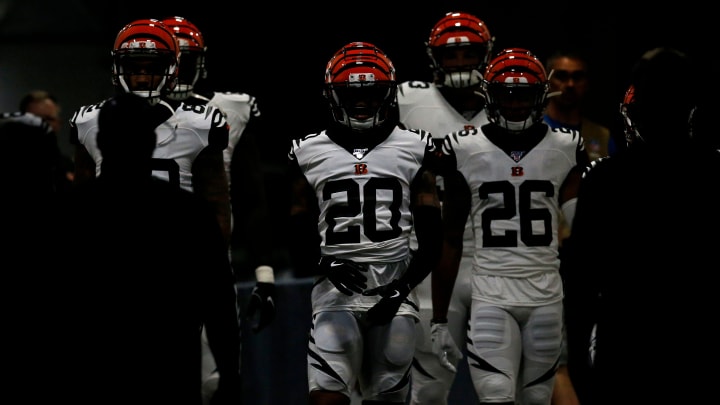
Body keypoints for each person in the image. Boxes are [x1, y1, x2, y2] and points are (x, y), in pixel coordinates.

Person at [56, 92, 242, 405]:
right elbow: (219, 302)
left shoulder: (69, 211)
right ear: (151, 142)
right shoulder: (189, 212)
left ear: (100, 141)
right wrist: (230, 374)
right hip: (167, 372)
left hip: (92, 372)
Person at [430, 47, 590, 405]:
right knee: (496, 397)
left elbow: (584, 234)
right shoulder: (464, 148)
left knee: (536, 399)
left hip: (546, 295)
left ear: (542, 96)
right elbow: (451, 238)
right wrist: (439, 318)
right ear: (490, 95)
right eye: (507, 94)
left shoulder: (568, 146)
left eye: (525, 95)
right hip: (490, 295)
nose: (516, 104)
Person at [288, 41, 443, 405]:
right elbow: (294, 229)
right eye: (351, 93)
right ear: (333, 95)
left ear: (387, 94)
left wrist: (402, 287)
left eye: (372, 93)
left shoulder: (415, 147)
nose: (362, 102)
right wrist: (323, 262)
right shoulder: (307, 151)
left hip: (394, 294)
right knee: (326, 395)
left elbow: (432, 236)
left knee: (387, 393)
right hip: (333, 294)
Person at [562, 47, 719, 404]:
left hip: (628, 349)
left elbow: (581, 282)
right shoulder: (713, 172)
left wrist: (577, 363)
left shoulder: (605, 179)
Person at [160, 15, 276, 404]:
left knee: (215, 384)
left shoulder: (230, 111)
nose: (176, 71)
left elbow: (251, 197)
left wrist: (264, 270)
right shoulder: (115, 116)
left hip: (209, 264)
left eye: (184, 60)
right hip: (141, 263)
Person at [395, 10, 494, 405]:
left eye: (468, 52)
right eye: (450, 54)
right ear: (433, 57)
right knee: (430, 385)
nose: (459, 62)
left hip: (497, 256)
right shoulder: (407, 99)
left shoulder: (510, 99)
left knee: (507, 385)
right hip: (433, 255)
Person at [69, 18, 232, 248]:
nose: (143, 78)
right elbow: (80, 208)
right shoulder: (88, 121)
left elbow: (216, 207)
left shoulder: (200, 123)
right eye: (134, 68)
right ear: (118, 69)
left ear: (172, 69)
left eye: (153, 68)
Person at [543, 50, 615, 162]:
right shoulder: (531, 130)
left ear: (587, 83)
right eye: (561, 76)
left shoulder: (601, 136)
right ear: (547, 82)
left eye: (577, 77)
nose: (570, 84)